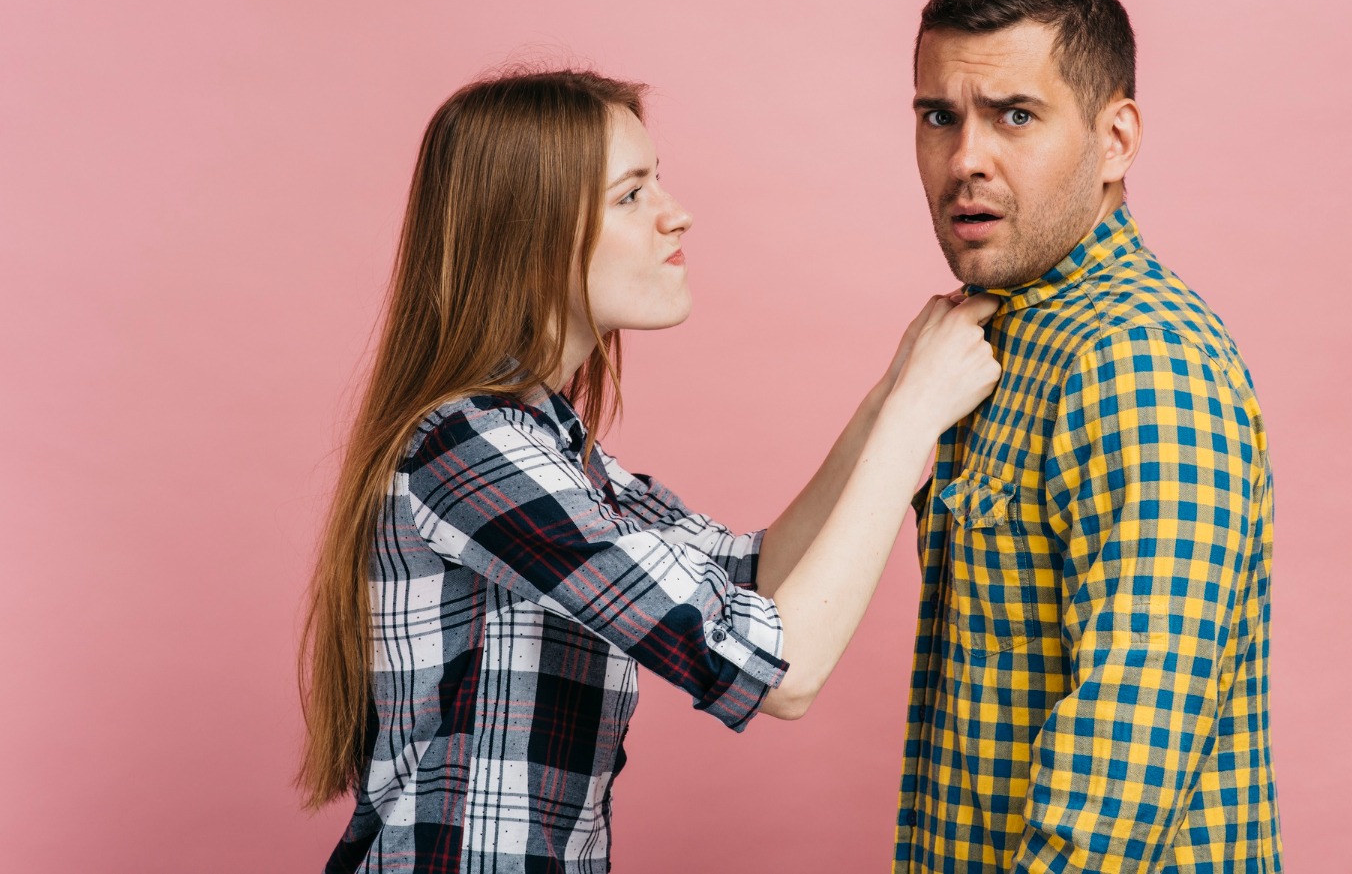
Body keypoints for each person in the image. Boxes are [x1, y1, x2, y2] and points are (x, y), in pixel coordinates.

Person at [295, 69, 1001, 874]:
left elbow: (755, 578)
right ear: (530, 232)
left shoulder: (551, 447)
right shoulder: (468, 452)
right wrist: (914, 417)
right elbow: (782, 671)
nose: (677, 213)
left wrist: (891, 392)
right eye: (632, 194)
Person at [894, 0, 1282, 872]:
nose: (965, 160)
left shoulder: (1139, 359)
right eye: (938, 117)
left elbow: (1123, 771)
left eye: (1015, 116)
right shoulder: (1001, 339)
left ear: (1115, 140)